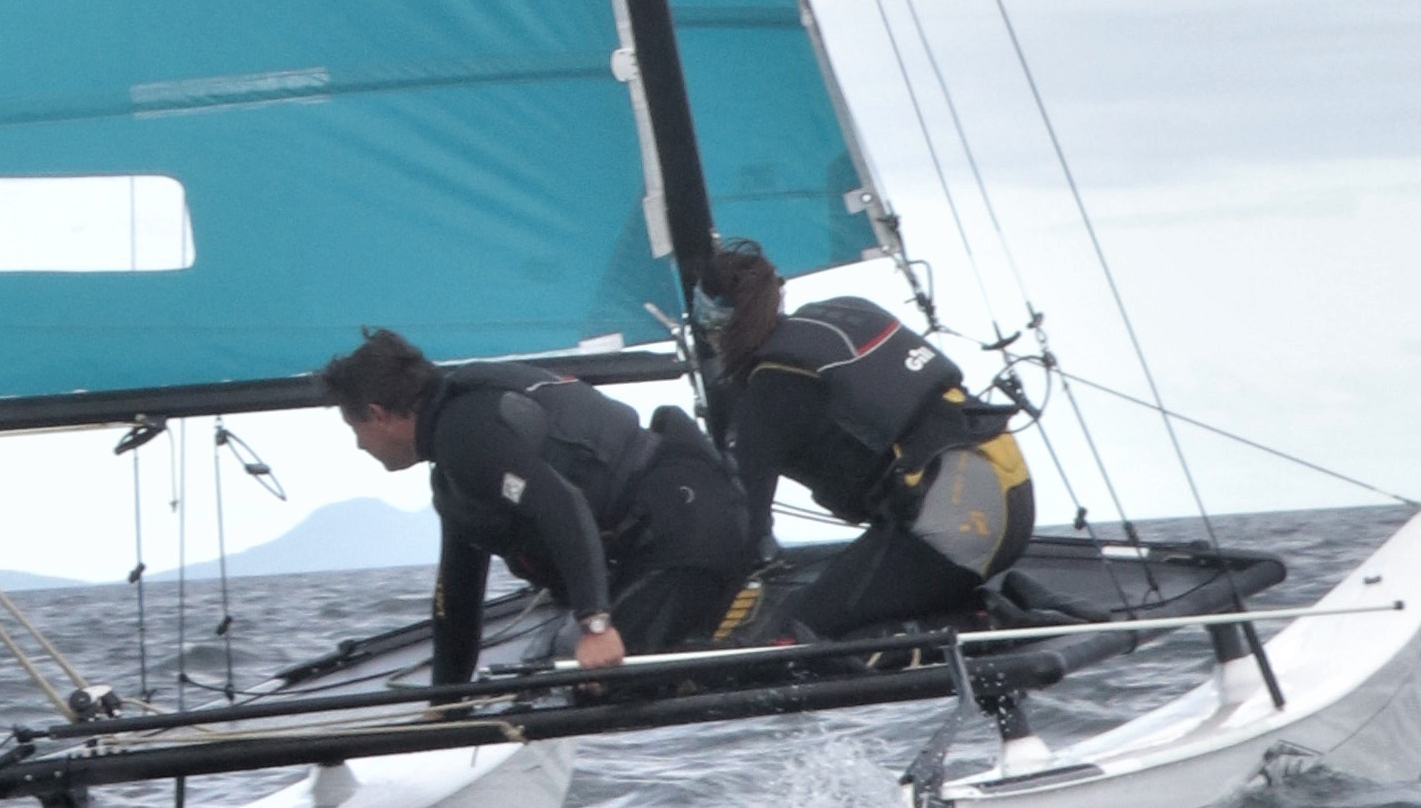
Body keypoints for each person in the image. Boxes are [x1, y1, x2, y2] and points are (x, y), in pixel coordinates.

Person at [320, 326, 757, 691]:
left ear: (378, 415)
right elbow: (458, 601)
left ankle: (746, 645)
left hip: (690, 521)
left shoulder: (467, 435)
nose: (359, 445)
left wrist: (595, 624)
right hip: (662, 535)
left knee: (598, 684)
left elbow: (561, 505)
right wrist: (445, 704)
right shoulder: (453, 467)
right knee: (560, 674)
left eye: (355, 428)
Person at [696, 244, 1036, 635]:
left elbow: (744, 530)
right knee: (859, 596)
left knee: (793, 635)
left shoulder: (768, 395)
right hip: (1010, 492)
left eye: (706, 322)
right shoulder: (843, 317)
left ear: (722, 326)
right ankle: (995, 611)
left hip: (959, 528)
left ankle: (985, 618)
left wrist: (697, 617)